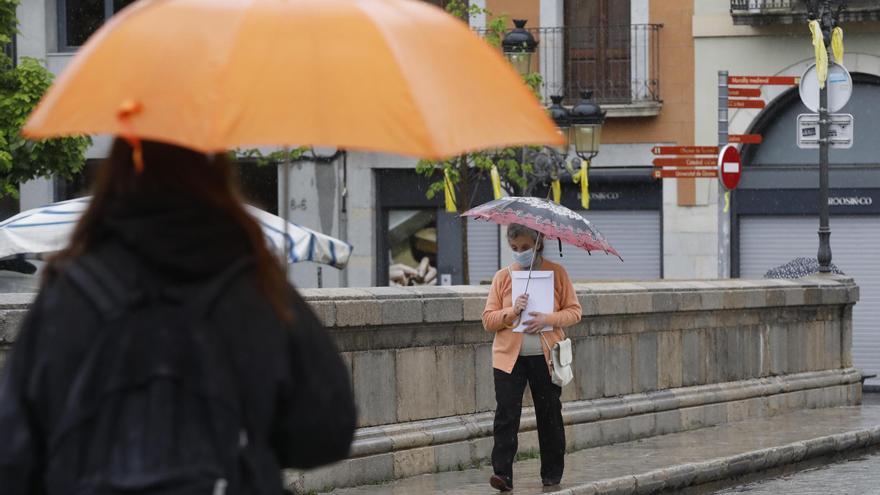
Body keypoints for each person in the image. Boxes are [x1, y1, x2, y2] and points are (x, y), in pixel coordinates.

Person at [0, 139, 356, 495]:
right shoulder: (255, 288)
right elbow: (328, 429)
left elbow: (14, 451)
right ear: (216, 175)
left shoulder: (69, 293)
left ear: (116, 174)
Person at [481, 223, 582, 492]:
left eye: (524, 247)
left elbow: (574, 311)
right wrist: (511, 312)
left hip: (545, 357)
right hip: (508, 359)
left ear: (538, 242)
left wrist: (548, 318)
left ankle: (552, 474)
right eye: (514, 248)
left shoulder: (557, 273)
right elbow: (488, 320)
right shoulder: (503, 277)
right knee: (506, 416)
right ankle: (502, 474)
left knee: (549, 415)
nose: (519, 253)